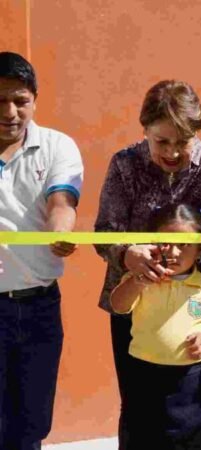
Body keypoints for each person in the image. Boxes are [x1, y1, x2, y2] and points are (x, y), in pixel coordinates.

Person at [94, 79, 201, 449]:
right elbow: (105, 230)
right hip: (135, 297)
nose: (171, 152)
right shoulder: (124, 165)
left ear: (196, 133)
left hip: (198, 299)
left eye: (182, 142)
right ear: (145, 131)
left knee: (193, 400)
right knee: (137, 404)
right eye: (161, 141)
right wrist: (126, 254)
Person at [0, 51, 84, 449]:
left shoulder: (57, 146)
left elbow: (62, 202)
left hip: (38, 309)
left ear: (35, 99)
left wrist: (61, 233)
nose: (11, 111)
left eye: (21, 100)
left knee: (31, 426)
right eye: (0, 100)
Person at [110, 203, 201, 449]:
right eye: (166, 242)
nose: (174, 252)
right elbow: (118, 305)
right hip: (143, 381)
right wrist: (137, 281)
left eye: (184, 244)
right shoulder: (142, 279)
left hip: (192, 387)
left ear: (200, 249)